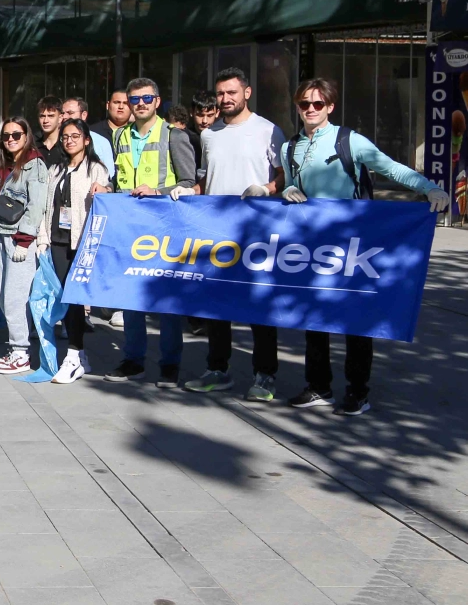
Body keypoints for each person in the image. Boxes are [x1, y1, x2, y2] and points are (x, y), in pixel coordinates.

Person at [278, 78, 449, 415]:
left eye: (317, 103)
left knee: (356, 318)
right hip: (313, 245)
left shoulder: (349, 140)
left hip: (353, 243)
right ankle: (318, 387)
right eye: (304, 103)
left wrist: (429, 188)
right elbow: (290, 182)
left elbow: (391, 167)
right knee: (314, 318)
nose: (310, 109)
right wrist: (287, 190)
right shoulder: (290, 147)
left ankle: (358, 392)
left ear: (330, 106)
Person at [185, 68, 286, 399]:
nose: (225, 99)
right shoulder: (209, 135)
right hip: (216, 231)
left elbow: (284, 176)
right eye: (220, 93)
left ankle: (265, 375)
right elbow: (207, 179)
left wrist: (267, 188)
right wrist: (189, 191)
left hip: (256, 232)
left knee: (259, 306)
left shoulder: (268, 131)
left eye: (231, 92)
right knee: (217, 305)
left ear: (247, 92)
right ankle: (218, 370)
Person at [105, 78, 196, 387]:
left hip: (164, 228)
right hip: (130, 227)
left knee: (166, 300)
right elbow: (119, 179)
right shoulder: (120, 135)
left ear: (157, 101)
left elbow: (189, 183)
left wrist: (158, 191)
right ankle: (133, 360)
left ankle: (170, 365)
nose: (140, 103)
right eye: (135, 99)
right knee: (130, 296)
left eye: (147, 98)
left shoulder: (173, 135)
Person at [0, 118, 53, 375]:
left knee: (16, 299)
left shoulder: (34, 165)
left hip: (19, 240)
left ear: (26, 136)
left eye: (16, 135)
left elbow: (36, 206)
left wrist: (24, 241)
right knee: (4, 297)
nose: (11, 139)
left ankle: (21, 353)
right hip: (0, 237)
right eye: (6, 136)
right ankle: (16, 349)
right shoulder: (4, 164)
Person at [49, 121, 111, 383]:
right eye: (65, 137)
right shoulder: (56, 169)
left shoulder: (96, 168)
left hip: (81, 241)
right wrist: (42, 239)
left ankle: (74, 355)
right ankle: (80, 355)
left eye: (75, 136)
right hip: (56, 240)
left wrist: (105, 189)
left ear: (86, 140)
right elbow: (47, 207)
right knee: (64, 297)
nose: (70, 140)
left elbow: (107, 195)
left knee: (75, 298)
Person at [61, 96, 115, 165]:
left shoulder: (100, 142)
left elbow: (108, 170)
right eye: (62, 113)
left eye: (70, 113)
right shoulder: (56, 139)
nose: (64, 117)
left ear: (84, 115)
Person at [35, 97, 67, 169]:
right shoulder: (33, 146)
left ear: (60, 118)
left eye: (51, 116)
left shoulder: (66, 145)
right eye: (42, 116)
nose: (45, 121)